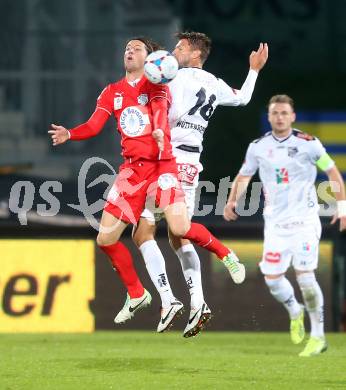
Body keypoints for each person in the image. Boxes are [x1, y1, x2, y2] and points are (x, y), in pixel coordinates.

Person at [48, 37, 245, 327]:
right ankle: (138, 294)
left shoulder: (158, 88)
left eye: (137, 48)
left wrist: (159, 133)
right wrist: (70, 134)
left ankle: (225, 254)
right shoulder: (111, 92)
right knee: (105, 238)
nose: (129, 50)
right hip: (131, 173)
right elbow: (93, 125)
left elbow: (162, 116)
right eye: (127, 47)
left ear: (151, 59)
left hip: (162, 166)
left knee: (179, 228)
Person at [132, 31, 268, 337]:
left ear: (195, 55)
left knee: (160, 231)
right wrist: (254, 70)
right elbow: (244, 98)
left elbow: (174, 114)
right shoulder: (215, 84)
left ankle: (219, 257)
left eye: (180, 47)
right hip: (191, 162)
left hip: (170, 160)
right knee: (172, 235)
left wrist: (152, 109)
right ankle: (197, 303)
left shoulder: (177, 79)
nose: (175, 51)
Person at [223, 94, 346, 356]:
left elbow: (332, 172)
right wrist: (232, 201)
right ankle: (294, 310)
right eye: (274, 113)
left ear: (293, 116)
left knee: (305, 277)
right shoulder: (258, 147)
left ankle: (318, 335)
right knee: (273, 279)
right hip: (275, 224)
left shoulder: (309, 144)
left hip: (304, 221)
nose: (279, 117)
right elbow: (244, 176)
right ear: (269, 117)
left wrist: (342, 207)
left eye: (284, 113)